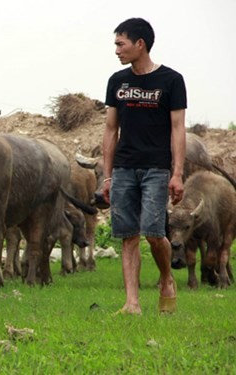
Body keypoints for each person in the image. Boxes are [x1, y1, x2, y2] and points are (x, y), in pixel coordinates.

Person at [101, 18, 186, 315]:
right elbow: (111, 130)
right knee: (128, 236)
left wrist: (177, 173)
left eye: (120, 44)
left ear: (140, 44)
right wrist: (107, 176)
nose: (116, 50)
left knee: (153, 233)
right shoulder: (117, 82)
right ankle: (132, 303)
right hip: (124, 168)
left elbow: (178, 129)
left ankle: (166, 279)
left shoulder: (171, 81)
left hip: (157, 168)